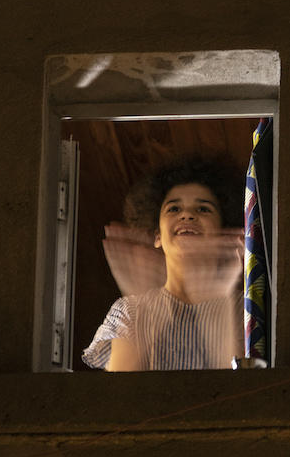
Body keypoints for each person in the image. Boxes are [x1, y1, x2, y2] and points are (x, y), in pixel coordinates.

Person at [82, 155, 245, 371]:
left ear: (221, 233)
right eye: (174, 209)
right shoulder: (129, 311)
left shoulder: (246, 309)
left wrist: (221, 307)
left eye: (203, 209)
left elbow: (247, 389)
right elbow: (119, 396)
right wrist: (144, 318)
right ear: (157, 235)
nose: (187, 215)